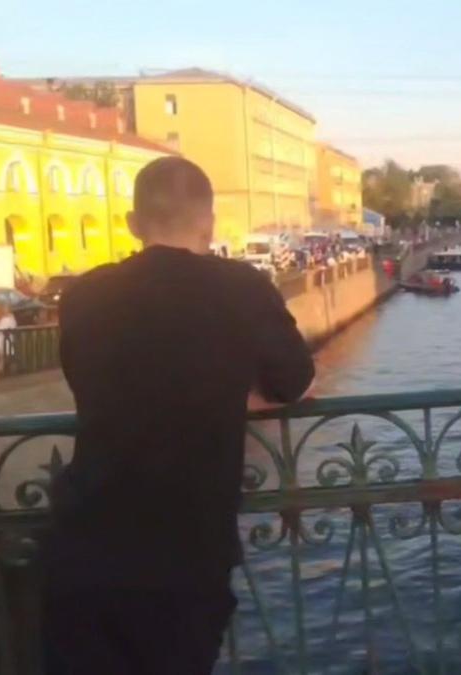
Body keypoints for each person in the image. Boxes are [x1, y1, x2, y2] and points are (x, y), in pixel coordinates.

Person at [42, 157, 315, 674]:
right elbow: (295, 381)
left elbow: (89, 382)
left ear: (133, 223)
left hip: (82, 549)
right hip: (184, 554)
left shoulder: (84, 294)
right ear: (209, 222)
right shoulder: (241, 287)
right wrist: (228, 392)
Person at [0, 301, 18, 375]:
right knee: (4, 356)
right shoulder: (8, 318)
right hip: (5, 339)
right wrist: (12, 317)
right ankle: (1, 370)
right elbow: (13, 326)